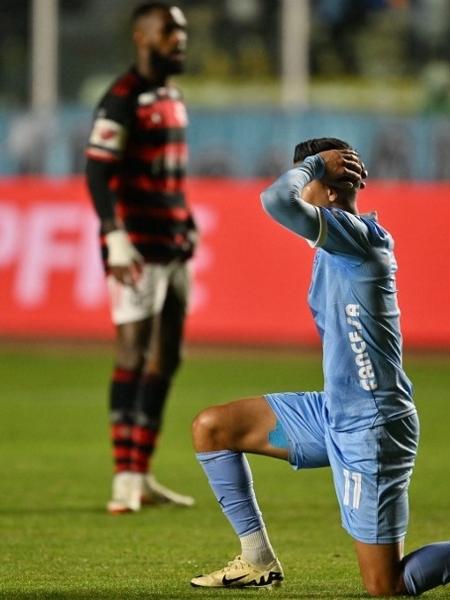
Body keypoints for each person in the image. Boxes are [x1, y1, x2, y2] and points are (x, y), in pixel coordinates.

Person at [190, 138, 450, 594]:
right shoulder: (340, 244)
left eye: (308, 181)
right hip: (333, 415)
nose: (301, 189)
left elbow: (275, 200)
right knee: (213, 428)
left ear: (327, 190)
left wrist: (312, 165)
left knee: (384, 586)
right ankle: (256, 560)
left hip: (371, 430)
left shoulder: (358, 239)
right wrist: (316, 169)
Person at [85, 2, 196, 514]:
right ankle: (122, 479)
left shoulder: (171, 96)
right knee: (131, 354)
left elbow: (169, 175)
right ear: (142, 36)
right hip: (138, 249)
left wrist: (187, 219)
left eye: (183, 29)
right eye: (170, 29)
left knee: (167, 357)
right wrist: (113, 234)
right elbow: (97, 171)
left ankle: (142, 474)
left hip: (175, 246)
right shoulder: (121, 99)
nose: (180, 37)